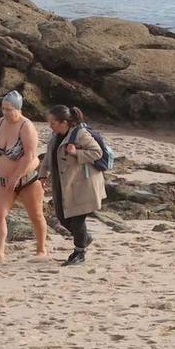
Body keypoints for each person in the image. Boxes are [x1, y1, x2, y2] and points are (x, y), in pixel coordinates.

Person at [0, 91, 48, 262]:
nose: (6, 113)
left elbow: (29, 155)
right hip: (4, 180)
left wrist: (17, 175)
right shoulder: (0, 123)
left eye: (9, 109)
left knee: (35, 215)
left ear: (18, 108)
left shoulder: (26, 126)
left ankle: (41, 249)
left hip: (27, 179)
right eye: (3, 109)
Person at [44, 105, 106, 267]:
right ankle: (84, 238)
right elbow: (48, 155)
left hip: (82, 184)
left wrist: (76, 153)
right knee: (62, 217)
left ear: (64, 122)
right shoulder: (55, 135)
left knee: (77, 220)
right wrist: (42, 174)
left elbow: (97, 152)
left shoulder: (80, 134)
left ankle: (79, 253)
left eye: (53, 123)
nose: (50, 126)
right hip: (61, 183)